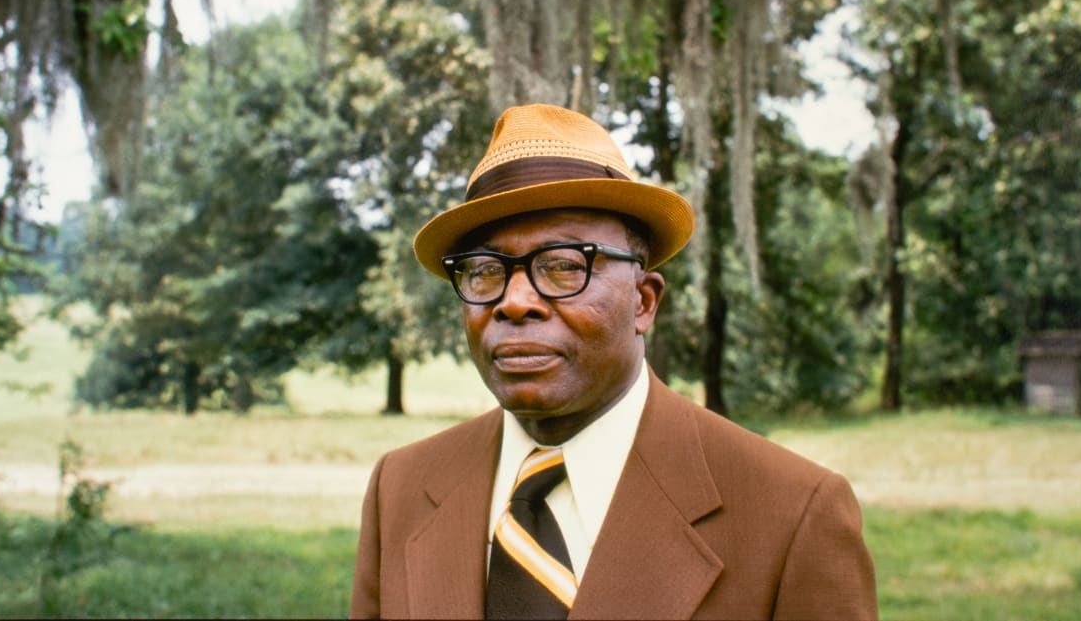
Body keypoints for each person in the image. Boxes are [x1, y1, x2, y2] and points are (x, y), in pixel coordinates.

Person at [349, 103, 878, 620]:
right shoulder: (400, 488)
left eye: (562, 265)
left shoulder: (792, 513)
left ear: (643, 301)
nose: (514, 301)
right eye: (485, 270)